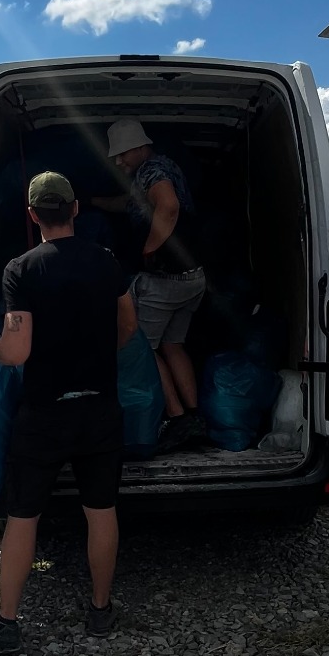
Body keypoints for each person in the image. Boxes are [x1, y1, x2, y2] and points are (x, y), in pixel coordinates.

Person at [0, 171, 137, 656]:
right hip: (100, 408)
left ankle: (7, 624)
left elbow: (15, 352)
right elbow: (129, 323)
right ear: (75, 209)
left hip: (44, 413)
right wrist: (101, 354)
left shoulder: (21, 270)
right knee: (101, 511)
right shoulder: (106, 262)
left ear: (32, 215)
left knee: (23, 516)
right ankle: (100, 610)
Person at [98, 118, 207, 447]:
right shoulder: (161, 168)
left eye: (122, 154)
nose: (119, 161)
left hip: (165, 280)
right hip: (193, 277)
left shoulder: (151, 170)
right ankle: (195, 416)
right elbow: (129, 203)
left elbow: (168, 206)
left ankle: (176, 418)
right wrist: (92, 202)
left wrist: (149, 248)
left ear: (140, 147)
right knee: (173, 345)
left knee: (144, 347)